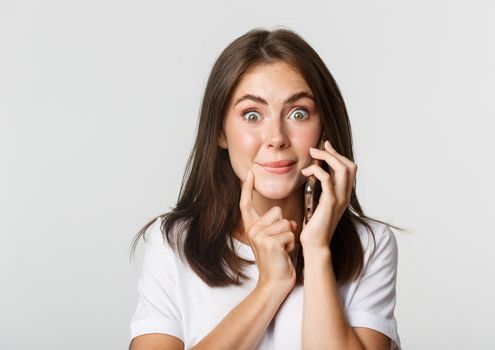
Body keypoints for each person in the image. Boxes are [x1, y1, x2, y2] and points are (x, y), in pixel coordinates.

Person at [128, 27, 403, 350]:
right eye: (252, 115)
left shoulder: (369, 245)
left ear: (324, 128)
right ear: (220, 132)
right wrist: (270, 287)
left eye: (298, 113)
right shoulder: (174, 243)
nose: (276, 137)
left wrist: (316, 251)